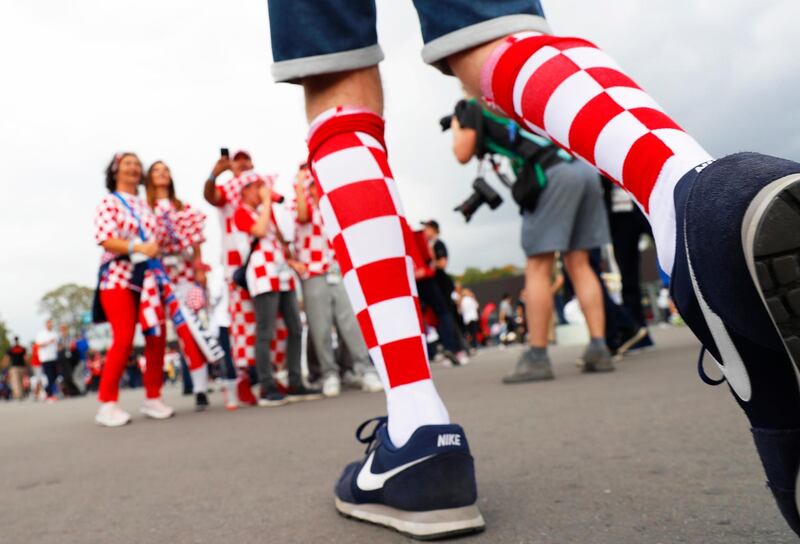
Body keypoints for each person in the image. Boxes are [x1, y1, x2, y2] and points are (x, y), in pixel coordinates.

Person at [267, 2, 800, 538]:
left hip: (545, 185)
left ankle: (417, 426)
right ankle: (697, 191)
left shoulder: (470, 117)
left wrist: (460, 124)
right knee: (493, 38)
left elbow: (461, 153)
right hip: (577, 168)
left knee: (338, 82)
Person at [450, 97, 615, 378]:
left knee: (538, 267)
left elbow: (462, 151)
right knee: (579, 262)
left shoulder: (469, 106)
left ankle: (537, 356)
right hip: (583, 167)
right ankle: (599, 347)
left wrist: (455, 124)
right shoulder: (516, 93)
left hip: (551, 174)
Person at [92, 152, 174, 426]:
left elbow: (159, 239)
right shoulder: (109, 202)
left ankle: (153, 396)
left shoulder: (145, 205)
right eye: (127, 163)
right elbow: (105, 239)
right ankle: (107, 403)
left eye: (138, 164)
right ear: (115, 170)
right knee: (124, 337)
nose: (134, 168)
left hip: (148, 278)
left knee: (156, 334)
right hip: (117, 277)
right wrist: (137, 247)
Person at [292, 163, 382, 396]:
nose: (314, 187)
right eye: (310, 183)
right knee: (320, 326)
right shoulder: (297, 205)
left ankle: (362, 368)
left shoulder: (331, 204)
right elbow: (301, 217)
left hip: (337, 269)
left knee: (350, 322)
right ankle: (329, 373)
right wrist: (299, 188)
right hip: (312, 272)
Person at [232, 173, 322, 405]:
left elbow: (282, 240)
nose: (262, 191)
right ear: (245, 190)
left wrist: (293, 261)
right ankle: (266, 385)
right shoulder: (241, 211)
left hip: (282, 273)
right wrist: (267, 203)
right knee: (265, 330)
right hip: (262, 276)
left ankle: (295, 381)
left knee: (295, 327)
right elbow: (259, 231)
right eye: (257, 187)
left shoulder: (268, 211)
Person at [146, 160, 213, 410]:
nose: (162, 174)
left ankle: (200, 388)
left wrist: (198, 266)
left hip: (186, 277)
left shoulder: (182, 207)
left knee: (194, 330)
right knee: (170, 334)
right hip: (160, 278)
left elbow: (196, 242)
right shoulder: (145, 209)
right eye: (156, 170)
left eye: (166, 170)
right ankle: (160, 393)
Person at [203, 150, 259, 390]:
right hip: (236, 263)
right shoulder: (227, 189)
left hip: (263, 259)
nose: (243, 164)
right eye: (238, 160)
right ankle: (245, 377)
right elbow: (210, 196)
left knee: (269, 319)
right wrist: (214, 174)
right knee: (242, 319)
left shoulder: (260, 188)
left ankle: (271, 373)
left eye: (247, 159)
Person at [35, 320, 58, 402]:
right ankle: (50, 394)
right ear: (46, 325)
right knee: (49, 376)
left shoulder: (54, 333)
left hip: (54, 357)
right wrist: (49, 342)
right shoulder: (41, 334)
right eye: (49, 324)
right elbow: (39, 345)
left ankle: (46, 390)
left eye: (51, 324)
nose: (50, 325)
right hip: (45, 359)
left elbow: (57, 345)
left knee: (55, 376)